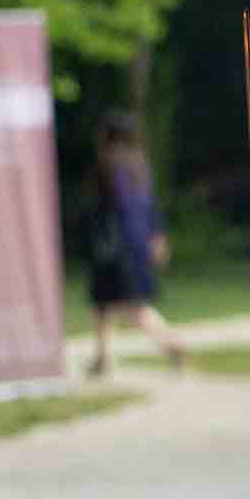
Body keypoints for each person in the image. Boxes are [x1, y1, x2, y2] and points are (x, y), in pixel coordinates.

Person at [85, 110, 188, 377]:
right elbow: (149, 208)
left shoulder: (108, 166)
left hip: (116, 249)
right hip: (137, 245)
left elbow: (115, 210)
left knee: (130, 308)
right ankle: (103, 360)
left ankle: (172, 343)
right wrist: (157, 236)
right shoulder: (139, 166)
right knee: (105, 306)